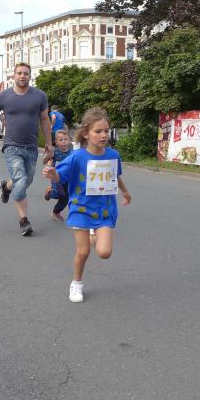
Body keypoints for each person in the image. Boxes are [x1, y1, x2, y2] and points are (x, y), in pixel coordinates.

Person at [42, 107, 132, 303]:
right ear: (86, 134)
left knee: (104, 253)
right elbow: (60, 177)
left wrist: (125, 192)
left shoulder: (113, 155)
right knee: (83, 252)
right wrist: (52, 174)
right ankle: (76, 283)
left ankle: (93, 233)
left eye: (106, 131)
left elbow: (115, 176)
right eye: (98, 131)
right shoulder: (77, 157)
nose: (103, 135)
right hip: (81, 209)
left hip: (104, 210)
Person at [0, 62, 53, 236]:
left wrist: (49, 143)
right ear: (14, 76)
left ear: (30, 76)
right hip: (12, 146)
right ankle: (24, 220)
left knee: (26, 180)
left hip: (31, 146)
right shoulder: (3, 96)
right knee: (21, 179)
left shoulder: (40, 96)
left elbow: (45, 119)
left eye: (26, 73)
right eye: (19, 73)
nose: (22, 76)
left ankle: (6, 186)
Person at [44, 128, 73, 221]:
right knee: (57, 194)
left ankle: (56, 212)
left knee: (65, 198)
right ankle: (49, 192)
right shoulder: (54, 152)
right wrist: (49, 155)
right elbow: (45, 161)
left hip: (67, 178)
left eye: (65, 139)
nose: (63, 142)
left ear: (69, 140)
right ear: (56, 142)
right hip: (56, 177)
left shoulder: (72, 153)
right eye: (61, 140)